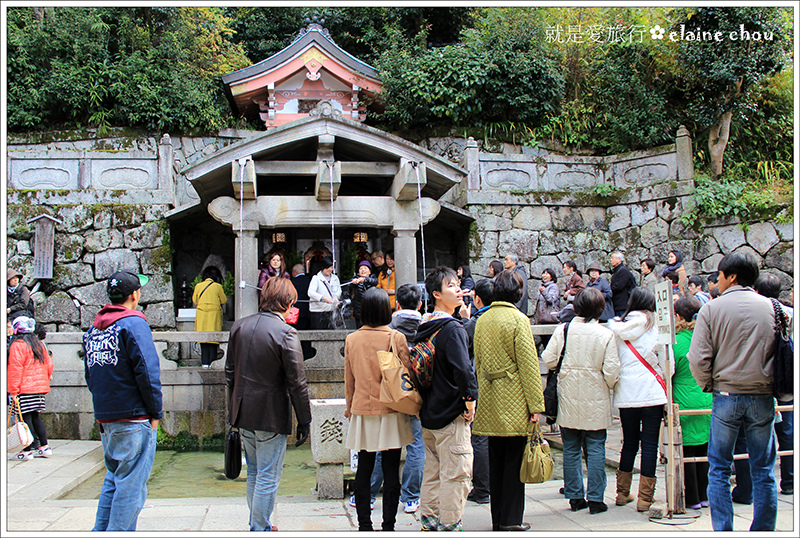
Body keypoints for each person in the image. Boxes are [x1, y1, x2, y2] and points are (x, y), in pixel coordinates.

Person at [687, 253, 778, 531]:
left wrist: (709, 384)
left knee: (719, 469)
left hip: (726, 395)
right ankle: (763, 529)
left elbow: (698, 358)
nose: (717, 281)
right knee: (763, 470)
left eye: (721, 275)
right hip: (763, 394)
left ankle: (724, 529)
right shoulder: (775, 308)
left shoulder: (712, 310)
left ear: (732, 276)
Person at [226, 277, 312, 532]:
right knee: (267, 475)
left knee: (254, 471)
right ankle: (259, 527)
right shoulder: (285, 332)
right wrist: (304, 420)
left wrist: (233, 411)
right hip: (270, 414)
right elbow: (297, 382)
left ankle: (258, 521)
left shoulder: (239, 326)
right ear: (287, 302)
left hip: (243, 412)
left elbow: (229, 373)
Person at [83, 270, 162, 531]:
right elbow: (147, 371)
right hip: (134, 416)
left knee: (114, 479)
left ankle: (100, 531)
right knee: (131, 488)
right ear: (134, 295)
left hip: (107, 417)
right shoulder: (133, 323)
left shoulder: (94, 329)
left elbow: (90, 374)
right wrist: (155, 413)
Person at [473, 270, 543, 531]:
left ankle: (497, 518)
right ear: (518, 292)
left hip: (489, 396)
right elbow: (528, 365)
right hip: (513, 396)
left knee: (495, 459)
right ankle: (512, 519)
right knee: (515, 460)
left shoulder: (483, 319)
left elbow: (477, 362)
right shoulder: (518, 319)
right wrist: (536, 406)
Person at [542, 288, 620, 514]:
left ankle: (575, 496)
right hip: (596, 394)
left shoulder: (564, 330)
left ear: (576, 307)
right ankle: (596, 498)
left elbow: (548, 358)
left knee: (572, 447)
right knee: (596, 447)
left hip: (568, 394)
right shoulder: (605, 334)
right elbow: (612, 371)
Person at [413, 266, 478, 531]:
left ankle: (429, 520)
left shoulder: (426, 325)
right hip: (451, 414)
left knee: (433, 472)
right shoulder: (451, 329)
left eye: (458, 284)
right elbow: (464, 370)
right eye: (452, 286)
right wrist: (470, 400)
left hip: (429, 413)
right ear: (437, 294)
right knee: (457, 473)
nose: (459, 289)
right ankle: (451, 525)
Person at [344, 287, 414, 531]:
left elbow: (349, 379)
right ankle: (389, 525)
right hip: (391, 410)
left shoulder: (352, 339)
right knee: (391, 468)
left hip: (363, 409)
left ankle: (364, 525)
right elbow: (407, 375)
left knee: (364, 467)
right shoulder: (396, 338)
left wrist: (349, 407)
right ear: (388, 309)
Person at [361, 283, 426, 514]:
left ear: (397, 303)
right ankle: (411, 496)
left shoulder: (387, 327)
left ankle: (368, 494)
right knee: (416, 445)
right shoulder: (427, 324)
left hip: (389, 392)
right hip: (415, 392)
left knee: (382, 445)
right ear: (420, 304)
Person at [607, 288, 666, 512]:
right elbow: (663, 359)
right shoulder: (655, 327)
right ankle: (645, 499)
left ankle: (622, 494)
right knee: (650, 444)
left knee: (629, 442)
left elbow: (613, 361)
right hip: (651, 392)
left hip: (627, 393)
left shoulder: (618, 328)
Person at [754, 273, 793, 496]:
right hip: (786, 380)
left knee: (760, 433)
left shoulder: (758, 313)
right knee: (787, 431)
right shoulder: (790, 313)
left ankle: (758, 482)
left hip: (762, 380)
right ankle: (788, 480)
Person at [671, 297, 711, 510]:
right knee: (704, 448)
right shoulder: (707, 337)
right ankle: (705, 495)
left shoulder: (677, 342)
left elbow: (670, 370)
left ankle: (693, 497)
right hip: (706, 395)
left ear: (677, 316)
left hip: (684, 397)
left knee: (687, 450)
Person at [462, 279, 495, 506]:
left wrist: (465, 319)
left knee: (480, 438)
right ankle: (497, 484)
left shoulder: (476, 321)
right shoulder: (509, 318)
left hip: (481, 382)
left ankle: (482, 488)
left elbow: (466, 347)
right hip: (504, 387)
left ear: (477, 299)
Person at [7, 316, 53, 461]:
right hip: (39, 388)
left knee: (24, 419)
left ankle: (26, 451)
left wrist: (13, 391)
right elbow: (49, 364)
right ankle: (45, 447)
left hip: (24, 388)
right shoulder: (38, 344)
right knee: (35, 417)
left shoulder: (17, 345)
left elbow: (15, 369)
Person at [192, 266, 227, 369]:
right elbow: (224, 300)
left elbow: (195, 300)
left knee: (203, 339)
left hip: (202, 313)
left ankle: (204, 363)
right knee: (213, 339)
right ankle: (213, 361)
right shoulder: (217, 286)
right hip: (214, 314)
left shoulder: (198, 286)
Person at [308, 257, 342, 329]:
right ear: (323, 267)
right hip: (318, 311)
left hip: (331, 310)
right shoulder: (316, 278)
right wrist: (322, 298)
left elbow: (339, 290)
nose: (330, 270)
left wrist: (336, 296)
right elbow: (310, 292)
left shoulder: (335, 278)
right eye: (327, 268)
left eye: (331, 267)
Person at [291, 264, 315, 360]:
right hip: (309, 311)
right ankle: (308, 356)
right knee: (308, 336)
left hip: (296, 313)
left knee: (296, 335)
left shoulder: (293, 282)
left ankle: (297, 357)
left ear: (295, 272)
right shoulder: (310, 281)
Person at [535, 268, 561, 349]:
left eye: (547, 274)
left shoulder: (554, 287)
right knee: (544, 339)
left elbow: (551, 300)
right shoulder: (542, 287)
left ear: (551, 276)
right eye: (543, 273)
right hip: (542, 318)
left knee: (550, 340)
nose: (544, 275)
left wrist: (544, 291)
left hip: (550, 318)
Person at [350, 261, 379, 328]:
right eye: (361, 268)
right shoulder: (356, 279)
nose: (363, 270)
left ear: (369, 271)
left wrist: (364, 279)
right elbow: (350, 284)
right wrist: (354, 281)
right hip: (359, 310)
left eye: (365, 268)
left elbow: (375, 281)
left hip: (371, 308)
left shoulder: (373, 278)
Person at [609, 252, 636, 317]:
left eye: (613, 258)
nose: (611, 260)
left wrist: (609, 290)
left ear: (619, 259)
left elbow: (619, 286)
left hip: (622, 304)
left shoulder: (623, 271)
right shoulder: (618, 271)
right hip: (619, 304)